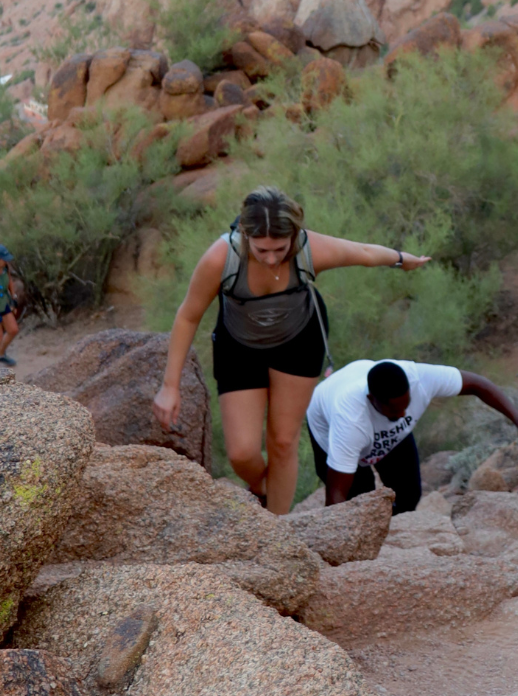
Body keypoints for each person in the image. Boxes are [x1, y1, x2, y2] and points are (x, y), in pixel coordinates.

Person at [152, 186, 430, 515]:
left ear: (294, 235)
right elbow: (187, 316)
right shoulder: (221, 257)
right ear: (244, 234)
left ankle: (277, 529)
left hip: (298, 342)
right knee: (242, 453)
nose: (271, 257)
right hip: (239, 347)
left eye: (280, 249)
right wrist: (170, 386)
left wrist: (402, 260)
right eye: (261, 249)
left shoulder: (309, 250)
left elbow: (366, 253)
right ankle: (263, 489)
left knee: (283, 442)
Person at [307, 357, 518, 514]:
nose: (403, 414)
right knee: (358, 507)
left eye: (407, 405)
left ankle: (389, 541)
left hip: (388, 435)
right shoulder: (349, 419)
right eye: (394, 410)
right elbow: (336, 496)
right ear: (372, 400)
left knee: (409, 496)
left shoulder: (419, 378)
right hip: (328, 429)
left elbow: (478, 385)